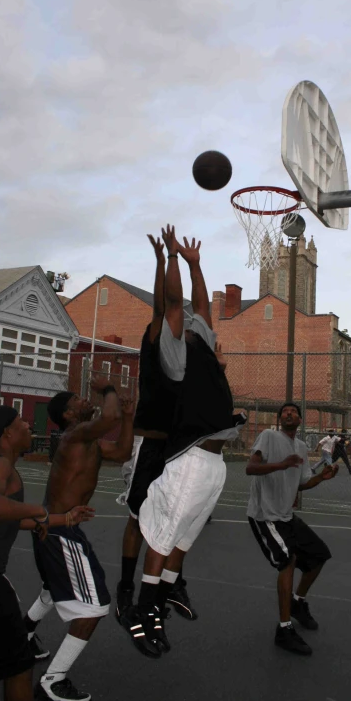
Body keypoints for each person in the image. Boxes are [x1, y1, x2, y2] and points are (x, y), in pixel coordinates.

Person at [121, 225, 245, 658]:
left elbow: (197, 304)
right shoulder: (176, 349)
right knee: (162, 534)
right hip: (190, 457)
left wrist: (196, 265)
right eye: (189, 319)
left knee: (183, 539)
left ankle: (164, 596)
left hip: (215, 460)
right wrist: (171, 258)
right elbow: (174, 303)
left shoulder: (205, 342)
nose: (196, 320)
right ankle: (142, 608)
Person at [0, 405, 93, 701]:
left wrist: (61, 519)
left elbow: (4, 516)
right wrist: (39, 513)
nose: (29, 425)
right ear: (7, 435)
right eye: (21, 423)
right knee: (18, 667)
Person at [25, 378, 134, 701]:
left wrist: (127, 417)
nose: (87, 400)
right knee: (96, 605)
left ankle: (23, 635)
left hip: (57, 529)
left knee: (51, 588)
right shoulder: (75, 435)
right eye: (78, 400)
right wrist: (110, 389)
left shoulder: (89, 440)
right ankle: (53, 680)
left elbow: (123, 450)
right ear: (69, 415)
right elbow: (109, 417)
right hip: (60, 532)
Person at [115, 235, 197, 624]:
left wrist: (182, 262)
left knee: (174, 520)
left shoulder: (183, 353)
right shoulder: (153, 341)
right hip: (150, 444)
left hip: (176, 451)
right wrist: (165, 259)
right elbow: (162, 303)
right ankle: (126, 587)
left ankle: (168, 582)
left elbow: (186, 309)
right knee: (137, 518)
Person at [246, 402, 337, 656]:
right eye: (285, 411)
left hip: (286, 516)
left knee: (320, 554)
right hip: (265, 515)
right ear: (279, 418)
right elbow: (250, 468)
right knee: (287, 560)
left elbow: (302, 483)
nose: (289, 413)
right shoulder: (268, 437)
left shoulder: (301, 447)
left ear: (299, 419)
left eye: (294, 412)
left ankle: (297, 603)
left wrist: (321, 478)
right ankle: (284, 630)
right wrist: (281, 465)